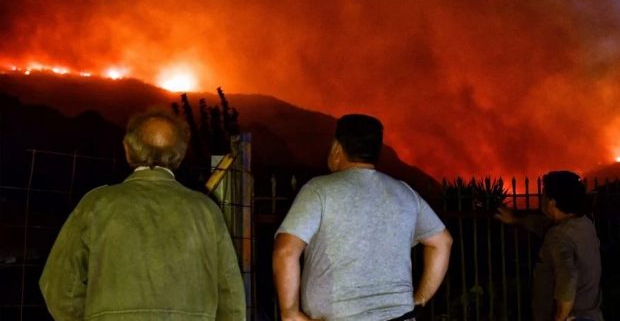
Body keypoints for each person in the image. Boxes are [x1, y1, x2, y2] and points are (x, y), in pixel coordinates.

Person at [39, 109, 245, 320]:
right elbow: (231, 298)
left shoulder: (97, 205)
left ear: (128, 149)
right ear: (180, 155)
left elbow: (57, 287)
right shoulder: (207, 211)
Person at [273, 114, 452, 321]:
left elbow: (286, 250)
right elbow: (443, 242)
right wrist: (420, 298)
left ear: (337, 149)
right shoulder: (404, 193)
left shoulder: (319, 190)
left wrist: (289, 312)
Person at [495, 171, 603, 321]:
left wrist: (559, 318)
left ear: (551, 202)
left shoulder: (558, 236)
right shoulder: (585, 224)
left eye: (543, 194)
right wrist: (516, 220)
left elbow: (568, 278)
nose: (541, 198)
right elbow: (546, 226)